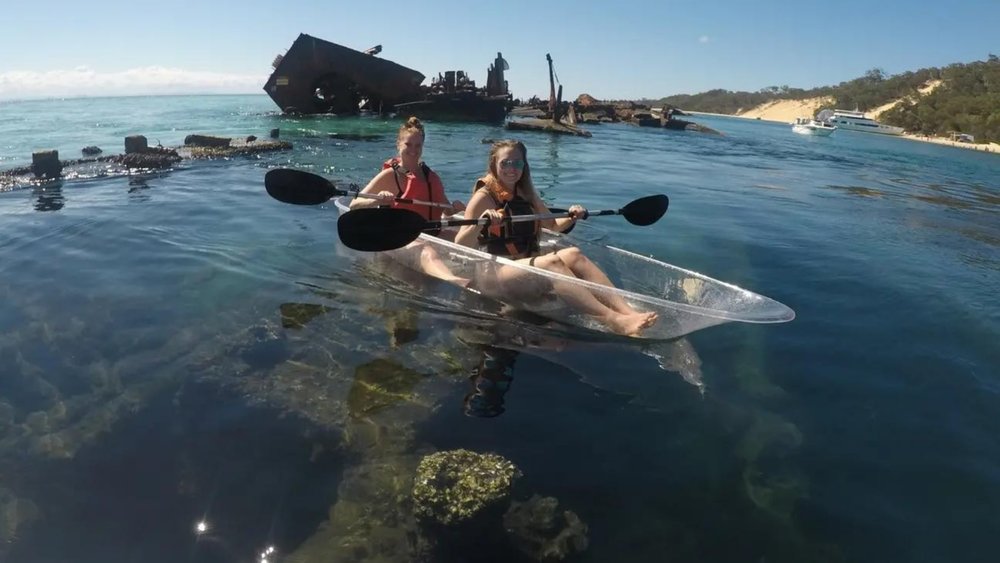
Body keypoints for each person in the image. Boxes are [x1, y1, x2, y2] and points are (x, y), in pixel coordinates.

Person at [454, 140, 658, 336]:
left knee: (574, 254)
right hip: (494, 274)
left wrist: (572, 216)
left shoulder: (527, 194)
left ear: (524, 166)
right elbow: (460, 244)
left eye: (517, 163)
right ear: (494, 165)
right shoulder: (483, 197)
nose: (512, 168)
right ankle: (612, 320)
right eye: (505, 163)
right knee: (552, 262)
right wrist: (483, 220)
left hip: (523, 265)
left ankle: (628, 312)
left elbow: (552, 226)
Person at [350, 117, 468, 285]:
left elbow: (446, 211)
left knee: (466, 238)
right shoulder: (391, 175)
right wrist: (375, 201)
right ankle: (456, 282)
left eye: (418, 145)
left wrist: (456, 209)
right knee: (426, 252)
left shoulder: (430, 177)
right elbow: (354, 205)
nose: (413, 150)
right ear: (399, 144)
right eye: (408, 145)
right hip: (402, 235)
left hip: (431, 232)